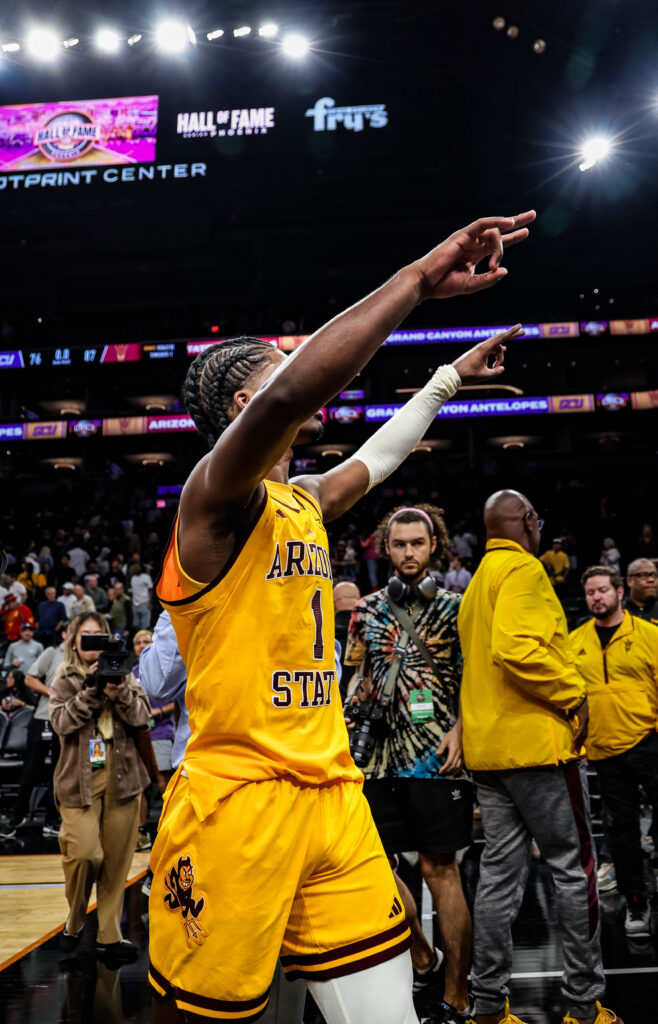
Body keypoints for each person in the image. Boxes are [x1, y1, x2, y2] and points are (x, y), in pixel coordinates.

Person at [148, 210, 535, 1024]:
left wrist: (447, 381)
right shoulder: (210, 502)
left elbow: (380, 456)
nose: (300, 371)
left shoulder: (305, 501)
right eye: (281, 367)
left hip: (332, 793)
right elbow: (298, 387)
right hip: (237, 804)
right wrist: (422, 280)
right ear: (248, 403)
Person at [457, 490, 619, 1024]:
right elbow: (518, 649)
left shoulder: (477, 582)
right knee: (575, 873)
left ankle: (487, 1007)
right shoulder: (524, 572)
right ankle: (583, 1005)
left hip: (490, 754)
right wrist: (573, 693)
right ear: (527, 521)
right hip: (539, 751)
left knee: (499, 879)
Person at [345, 505, 471, 1024]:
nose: (408, 553)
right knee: (377, 868)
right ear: (386, 548)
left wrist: (462, 730)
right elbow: (352, 679)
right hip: (377, 760)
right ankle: (421, 954)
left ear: (434, 546)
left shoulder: (457, 608)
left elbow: (473, 679)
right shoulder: (368, 610)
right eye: (399, 544)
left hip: (437, 757)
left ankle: (459, 992)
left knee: (440, 869)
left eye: (417, 543)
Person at [49, 612, 151, 963]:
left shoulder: (124, 670)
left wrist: (120, 692)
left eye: (99, 636)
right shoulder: (65, 678)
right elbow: (60, 722)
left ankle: (110, 935)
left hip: (123, 774)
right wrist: (91, 691)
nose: (92, 644)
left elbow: (143, 719)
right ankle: (76, 918)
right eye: (86, 636)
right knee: (84, 854)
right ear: (74, 641)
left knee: (117, 861)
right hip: (79, 778)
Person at [570, 566, 658, 938]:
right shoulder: (574, 642)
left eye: (603, 590)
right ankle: (635, 900)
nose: (597, 598)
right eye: (591, 592)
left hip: (648, 742)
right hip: (604, 752)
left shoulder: (650, 635)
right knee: (621, 834)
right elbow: (571, 698)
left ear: (619, 592)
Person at [333, 581, 361, 693]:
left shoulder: (322, 635)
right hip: (361, 706)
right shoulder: (373, 633)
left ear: (333, 603)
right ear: (360, 601)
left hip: (332, 706)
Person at [624, 558, 658, 624]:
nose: (651, 579)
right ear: (629, 581)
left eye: (654, 575)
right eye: (643, 575)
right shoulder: (618, 612)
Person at [130, 564, 153, 630]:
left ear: (141, 569)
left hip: (144, 602)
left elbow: (150, 590)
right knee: (136, 624)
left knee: (145, 624)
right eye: (135, 568)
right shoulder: (133, 578)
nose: (135, 569)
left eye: (137, 567)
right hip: (135, 603)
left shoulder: (146, 577)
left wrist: (150, 603)